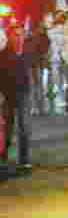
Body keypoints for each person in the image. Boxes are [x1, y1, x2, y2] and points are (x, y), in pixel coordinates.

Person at [0, 23, 33, 172]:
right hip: (7, 96)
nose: (19, 38)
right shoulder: (2, 55)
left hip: (24, 95)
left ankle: (24, 159)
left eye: (21, 35)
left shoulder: (27, 52)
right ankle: (3, 156)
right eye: (16, 35)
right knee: (7, 128)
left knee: (24, 127)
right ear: (9, 37)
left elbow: (29, 73)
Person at [25, 22, 51, 116]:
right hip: (36, 65)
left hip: (33, 65)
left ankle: (35, 107)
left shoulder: (29, 38)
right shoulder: (43, 38)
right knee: (37, 86)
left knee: (34, 86)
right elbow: (45, 53)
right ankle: (39, 107)